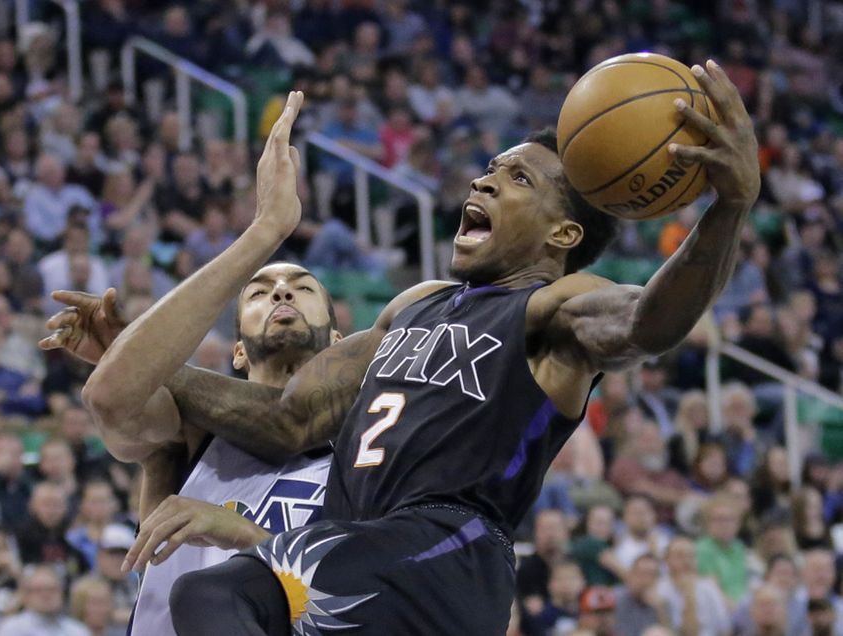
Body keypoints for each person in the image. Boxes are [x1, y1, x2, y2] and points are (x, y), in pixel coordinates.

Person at [85, 67, 757, 635]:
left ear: (563, 233)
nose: (483, 183)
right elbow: (287, 417)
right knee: (218, 597)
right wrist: (138, 354)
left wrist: (727, 209)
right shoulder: (413, 308)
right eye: (490, 170)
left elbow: (648, 322)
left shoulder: (556, 309)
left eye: (518, 179)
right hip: (360, 552)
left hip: (450, 548)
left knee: (219, 595)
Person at [41, 260, 343, 635]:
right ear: (238, 353)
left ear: (338, 343)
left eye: (303, 288)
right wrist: (128, 352)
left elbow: (361, 606)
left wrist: (244, 535)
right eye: (259, 293)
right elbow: (110, 398)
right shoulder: (187, 433)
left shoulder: (365, 451)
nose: (281, 292)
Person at [0, 565, 90, 636]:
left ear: (61, 594)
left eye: (51, 589)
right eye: (38, 590)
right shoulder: (11, 629)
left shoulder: (77, 631)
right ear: (27, 596)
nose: (46, 595)